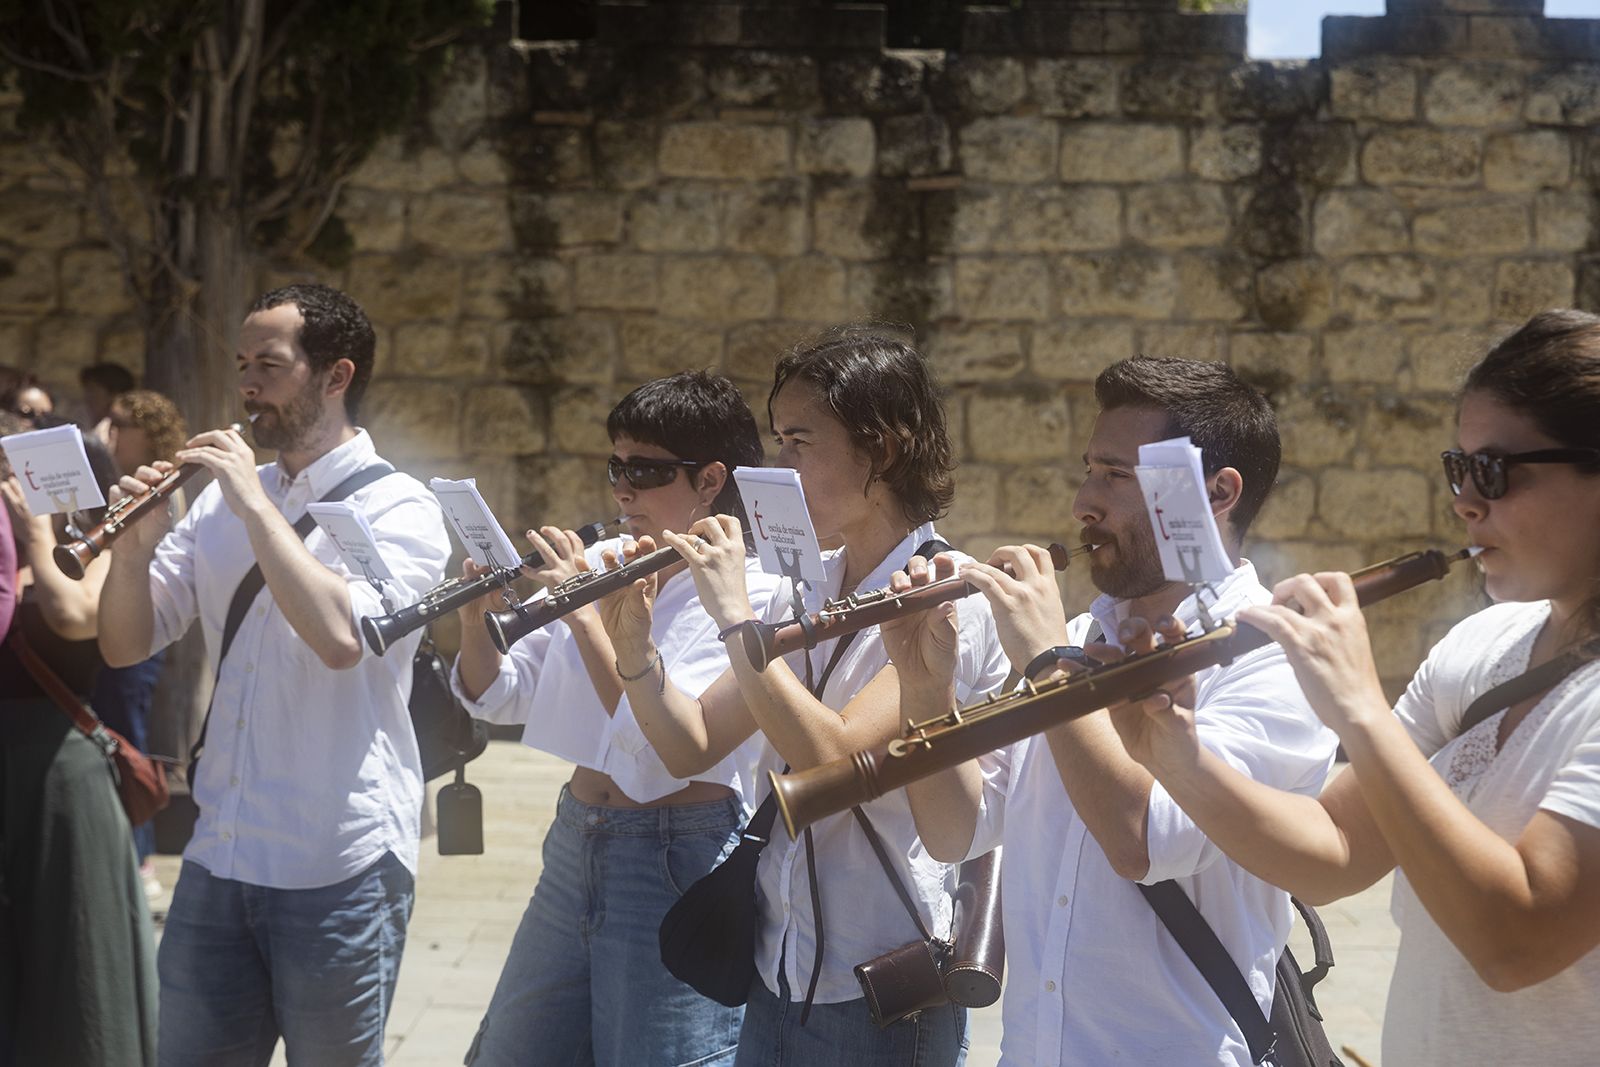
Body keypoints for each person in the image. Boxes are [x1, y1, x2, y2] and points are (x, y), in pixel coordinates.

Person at [1115, 310, 1600, 1065]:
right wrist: (1178, 756)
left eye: (1495, 472)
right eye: (1457, 467)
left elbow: (1516, 940)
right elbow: (1335, 850)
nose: (1465, 502)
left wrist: (1359, 708)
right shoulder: (1484, 644)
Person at [885, 356, 1338, 1065]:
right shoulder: (1075, 641)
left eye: (1116, 476)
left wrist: (1041, 662)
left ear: (1217, 492)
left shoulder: (1272, 656)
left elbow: (1142, 841)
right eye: (1090, 470)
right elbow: (953, 830)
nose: (1082, 504)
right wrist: (924, 688)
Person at [597, 332, 1009, 1066]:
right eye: (778, 440)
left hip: (879, 989)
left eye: (798, 443)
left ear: (879, 450)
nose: (777, 468)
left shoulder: (949, 594)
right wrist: (636, 655)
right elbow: (689, 743)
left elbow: (835, 764)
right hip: (778, 967)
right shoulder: (804, 583)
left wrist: (734, 619)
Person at [97, 282, 451, 1066]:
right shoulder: (224, 502)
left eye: (270, 364)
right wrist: (130, 545)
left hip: (338, 862)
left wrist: (255, 504)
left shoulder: (404, 506)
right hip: (219, 855)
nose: (248, 383)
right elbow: (125, 643)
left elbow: (339, 637)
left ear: (336, 375)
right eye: (242, 364)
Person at [455, 371, 781, 1067]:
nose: (623, 489)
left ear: (710, 479)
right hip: (577, 838)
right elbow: (499, 695)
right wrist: (472, 612)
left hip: (675, 851)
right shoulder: (604, 560)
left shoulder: (756, 592)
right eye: (616, 467)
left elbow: (658, 748)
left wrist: (584, 616)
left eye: (646, 469)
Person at [0, 410, 158, 1067]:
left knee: (77, 967)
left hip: (65, 782)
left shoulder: (105, 555)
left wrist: (38, 534)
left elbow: (71, 616)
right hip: (11, 774)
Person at [94, 388, 191, 892]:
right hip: (124, 623)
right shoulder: (129, 479)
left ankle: (141, 859)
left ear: (146, 432)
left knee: (128, 744)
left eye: (118, 423)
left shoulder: (163, 481)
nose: (108, 431)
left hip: (144, 627)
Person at [82, 361, 138, 442]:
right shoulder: (87, 426)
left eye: (93, 391)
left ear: (114, 394)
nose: (87, 398)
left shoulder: (121, 434)